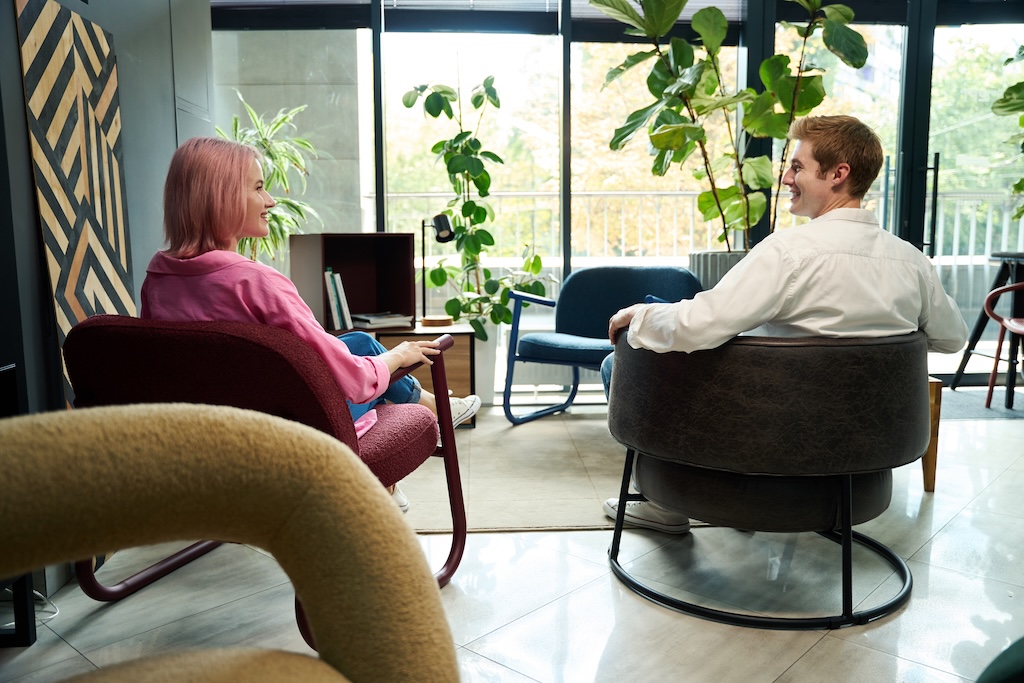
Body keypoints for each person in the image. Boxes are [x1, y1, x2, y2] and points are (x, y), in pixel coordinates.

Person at [602, 115, 969, 534]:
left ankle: (663, 504)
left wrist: (640, 317)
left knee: (618, 365)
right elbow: (951, 336)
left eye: (797, 167)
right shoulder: (910, 261)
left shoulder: (789, 253)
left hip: (768, 440)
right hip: (861, 448)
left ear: (837, 174)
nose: (786, 179)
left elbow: (700, 324)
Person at [141, 136, 481, 511]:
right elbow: (353, 381)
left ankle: (433, 411)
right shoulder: (258, 284)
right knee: (370, 360)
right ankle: (414, 441)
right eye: (258, 188)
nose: (271, 200)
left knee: (358, 342)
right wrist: (399, 355)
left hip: (207, 434)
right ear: (221, 197)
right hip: (288, 432)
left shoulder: (157, 280)